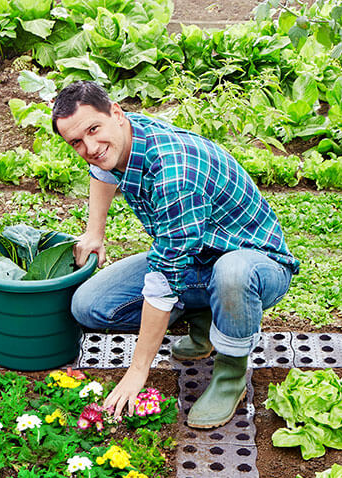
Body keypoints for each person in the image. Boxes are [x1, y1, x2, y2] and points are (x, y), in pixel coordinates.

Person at [51, 81, 298, 429]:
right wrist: (95, 231)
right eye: (76, 142)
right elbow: (100, 168)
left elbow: (165, 276)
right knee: (89, 306)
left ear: (116, 114)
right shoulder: (124, 135)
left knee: (231, 274)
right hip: (197, 255)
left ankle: (230, 375)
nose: (90, 146)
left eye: (94, 130)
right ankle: (205, 317)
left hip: (256, 263)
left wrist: (137, 372)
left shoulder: (173, 173)